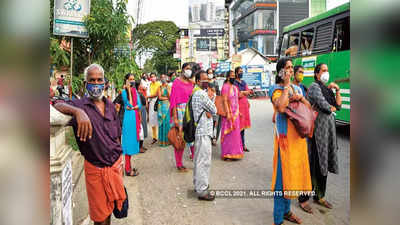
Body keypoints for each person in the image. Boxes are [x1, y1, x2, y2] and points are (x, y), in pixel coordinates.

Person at [53, 64, 126, 225]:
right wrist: (77, 112)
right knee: (99, 217)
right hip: (96, 169)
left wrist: (121, 160)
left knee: (112, 209)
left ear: (105, 83)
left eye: (99, 80)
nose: (96, 83)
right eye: (92, 80)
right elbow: (56, 103)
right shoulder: (80, 106)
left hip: (114, 166)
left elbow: (117, 135)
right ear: (86, 84)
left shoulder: (110, 106)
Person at [268, 58, 312, 225]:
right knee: (282, 180)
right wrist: (287, 87)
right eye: (287, 68)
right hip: (285, 142)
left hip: (298, 140)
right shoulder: (276, 89)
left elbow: (308, 107)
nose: (291, 70)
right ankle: (278, 219)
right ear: (280, 71)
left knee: (292, 176)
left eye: (292, 67)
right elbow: (281, 107)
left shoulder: (297, 88)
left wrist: (300, 98)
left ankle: (287, 211)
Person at [299, 63, 342, 210]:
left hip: (327, 134)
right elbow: (326, 107)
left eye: (327, 71)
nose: (326, 73)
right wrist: (332, 107)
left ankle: (320, 196)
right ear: (317, 74)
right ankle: (304, 198)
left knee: (323, 165)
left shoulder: (327, 89)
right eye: (324, 70)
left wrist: (337, 90)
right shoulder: (314, 87)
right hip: (317, 135)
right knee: (314, 165)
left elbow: (338, 105)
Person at [191, 70, 217, 201]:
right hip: (204, 131)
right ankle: (202, 190)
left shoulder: (195, 92)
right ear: (197, 81)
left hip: (199, 131)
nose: (206, 81)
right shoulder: (201, 94)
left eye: (207, 79)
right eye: (204, 79)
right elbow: (214, 109)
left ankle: (198, 185)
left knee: (198, 160)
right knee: (204, 161)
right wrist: (212, 98)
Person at [169, 63, 195, 172]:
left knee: (193, 137)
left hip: (190, 112)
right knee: (180, 138)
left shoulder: (191, 83)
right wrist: (175, 117)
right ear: (183, 70)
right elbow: (173, 100)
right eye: (187, 68)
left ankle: (196, 159)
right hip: (179, 112)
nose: (189, 70)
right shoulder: (176, 82)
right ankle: (179, 164)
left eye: (190, 69)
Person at [121, 73, 142, 176]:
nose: (132, 81)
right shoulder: (124, 92)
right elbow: (130, 104)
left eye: (133, 79)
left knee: (132, 142)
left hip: (134, 117)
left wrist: (134, 107)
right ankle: (128, 170)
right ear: (126, 80)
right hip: (128, 119)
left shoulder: (135, 91)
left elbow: (139, 104)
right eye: (130, 79)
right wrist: (128, 90)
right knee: (128, 144)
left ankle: (128, 167)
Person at [220, 70, 243, 160]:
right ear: (228, 77)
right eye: (232, 75)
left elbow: (236, 100)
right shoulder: (225, 87)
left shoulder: (234, 87)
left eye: (234, 75)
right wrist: (228, 113)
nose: (234, 77)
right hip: (228, 114)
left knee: (235, 134)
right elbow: (224, 100)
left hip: (236, 114)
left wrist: (239, 112)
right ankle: (227, 153)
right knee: (228, 135)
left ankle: (236, 152)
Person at [234, 66, 253, 153]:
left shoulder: (243, 82)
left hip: (245, 107)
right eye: (240, 71)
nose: (241, 73)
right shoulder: (234, 83)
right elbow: (238, 95)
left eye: (242, 71)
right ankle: (238, 146)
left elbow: (248, 92)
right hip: (238, 107)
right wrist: (244, 93)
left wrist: (244, 92)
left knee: (243, 128)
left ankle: (243, 145)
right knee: (238, 127)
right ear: (236, 73)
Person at [157, 74, 171, 147]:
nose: (163, 78)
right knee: (161, 123)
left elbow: (170, 96)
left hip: (168, 107)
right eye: (161, 77)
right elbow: (159, 97)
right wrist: (167, 98)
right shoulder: (159, 87)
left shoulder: (169, 86)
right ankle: (162, 141)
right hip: (161, 107)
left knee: (167, 123)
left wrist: (167, 88)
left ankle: (168, 140)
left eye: (164, 77)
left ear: (166, 78)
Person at [147, 73, 161, 144]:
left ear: (156, 77)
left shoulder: (159, 84)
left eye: (153, 77)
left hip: (158, 102)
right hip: (152, 103)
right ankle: (154, 137)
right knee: (152, 119)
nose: (152, 78)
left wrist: (148, 96)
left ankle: (161, 136)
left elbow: (156, 94)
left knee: (159, 119)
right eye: (151, 77)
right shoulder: (149, 84)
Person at [135, 81, 148, 153]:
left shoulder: (141, 92)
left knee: (143, 127)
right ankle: (139, 147)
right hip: (140, 111)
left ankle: (141, 145)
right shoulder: (136, 93)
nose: (142, 85)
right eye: (141, 84)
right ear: (138, 86)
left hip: (143, 110)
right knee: (140, 129)